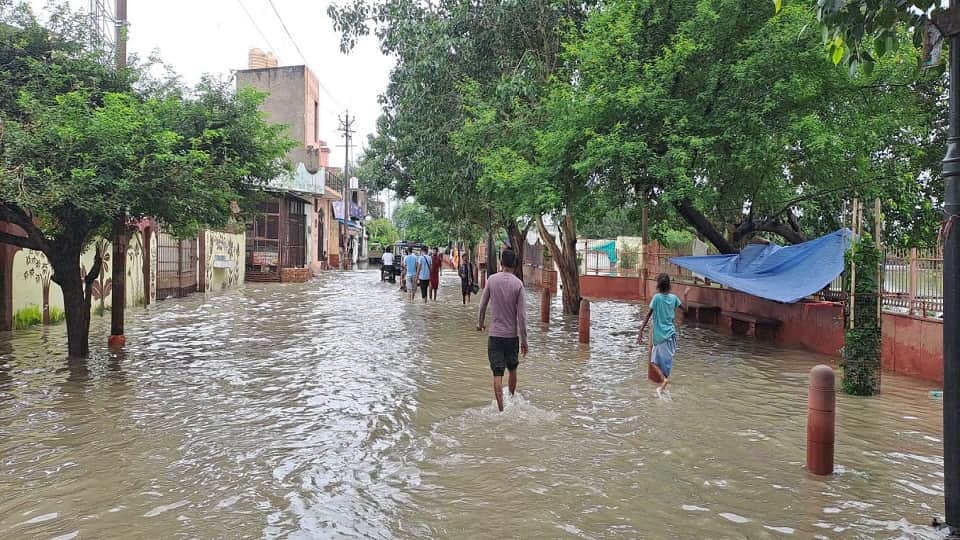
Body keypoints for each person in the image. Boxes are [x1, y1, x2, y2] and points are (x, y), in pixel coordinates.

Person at [477, 249, 528, 412]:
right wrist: (524, 341)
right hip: (512, 336)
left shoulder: (491, 280)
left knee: (497, 373)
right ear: (514, 264)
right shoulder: (518, 284)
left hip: (495, 335)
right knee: (512, 368)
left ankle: (501, 410)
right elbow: (522, 316)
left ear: (501, 262)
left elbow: (482, 306)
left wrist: (480, 324)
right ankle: (511, 400)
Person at [638, 273, 684, 397]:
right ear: (669, 285)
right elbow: (685, 309)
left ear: (658, 285)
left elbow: (648, 315)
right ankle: (663, 388)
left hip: (660, 336)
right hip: (672, 336)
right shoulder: (674, 298)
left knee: (653, 362)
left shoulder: (657, 298)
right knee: (666, 363)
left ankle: (664, 381)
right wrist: (686, 295)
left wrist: (640, 331)